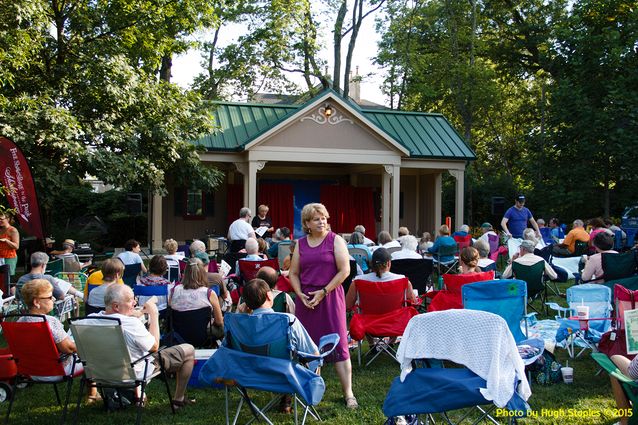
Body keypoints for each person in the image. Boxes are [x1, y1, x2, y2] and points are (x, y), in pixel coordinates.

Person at [288, 203, 356, 409]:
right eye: (317, 218)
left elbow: (344, 271)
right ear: (307, 223)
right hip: (306, 301)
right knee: (306, 347)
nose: (322, 221)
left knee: (340, 346)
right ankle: (311, 390)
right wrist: (299, 293)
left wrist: (324, 291)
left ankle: (348, 394)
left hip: (330, 297)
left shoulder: (335, 240)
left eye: (324, 217)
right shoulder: (300, 244)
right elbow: (293, 273)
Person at [86, 284, 196, 409]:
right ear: (116, 306)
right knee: (189, 350)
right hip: (133, 374)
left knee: (133, 351)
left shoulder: (88, 321)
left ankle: (138, 396)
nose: (134, 302)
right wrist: (154, 315)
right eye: (130, 300)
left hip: (100, 373)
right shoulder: (131, 324)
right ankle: (178, 400)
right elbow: (154, 347)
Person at [19, 279, 86, 382]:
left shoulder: (20, 322)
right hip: (57, 370)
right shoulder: (49, 322)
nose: (54, 299)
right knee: (93, 356)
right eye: (50, 297)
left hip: (31, 372)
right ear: (37, 302)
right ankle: (93, 393)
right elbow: (68, 349)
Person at [169, 259, 224, 340]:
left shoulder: (174, 290)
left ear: (185, 273)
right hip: (204, 335)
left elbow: (170, 310)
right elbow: (219, 322)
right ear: (203, 273)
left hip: (179, 336)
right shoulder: (209, 293)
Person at [346, 248, 417, 308]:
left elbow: (348, 305)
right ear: (389, 263)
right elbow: (413, 302)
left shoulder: (358, 281)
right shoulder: (403, 280)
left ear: (372, 264)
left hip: (366, 322)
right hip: (396, 321)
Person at [15, 252, 84, 301]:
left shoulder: (22, 279)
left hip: (26, 310)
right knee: (59, 283)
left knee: (57, 280)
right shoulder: (47, 279)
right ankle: (80, 295)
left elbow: (18, 297)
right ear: (43, 265)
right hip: (48, 310)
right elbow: (61, 296)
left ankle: (80, 294)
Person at [0, 211, 19, 276]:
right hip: (0, 258)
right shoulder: (0, 230)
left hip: (9, 258)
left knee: (8, 279)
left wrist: (6, 240)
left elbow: (16, 246)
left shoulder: (13, 230)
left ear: (7, 219)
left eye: (1, 219)